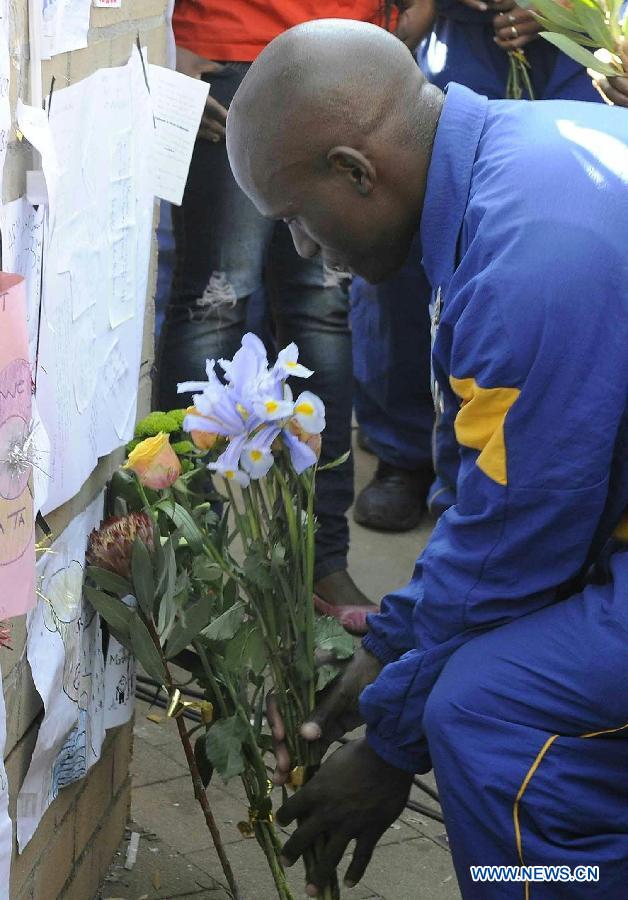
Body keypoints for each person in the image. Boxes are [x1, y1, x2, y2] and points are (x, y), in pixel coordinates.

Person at [226, 19, 628, 898]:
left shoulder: (530, 257)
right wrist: (398, 641)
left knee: (484, 713)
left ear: (355, 171)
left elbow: (527, 540)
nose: (300, 250)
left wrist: (393, 742)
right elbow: (491, 485)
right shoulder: (506, 159)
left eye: (295, 218)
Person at [157, 1, 403, 631]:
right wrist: (156, 40)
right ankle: (185, 558)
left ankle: (321, 559)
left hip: (346, 56)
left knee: (319, 311)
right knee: (217, 300)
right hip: (228, 49)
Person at [352, 0, 612, 533]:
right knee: (411, 229)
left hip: (577, 46)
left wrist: (559, 8)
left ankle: (537, 469)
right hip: (460, 39)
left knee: (573, 234)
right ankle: (404, 450)